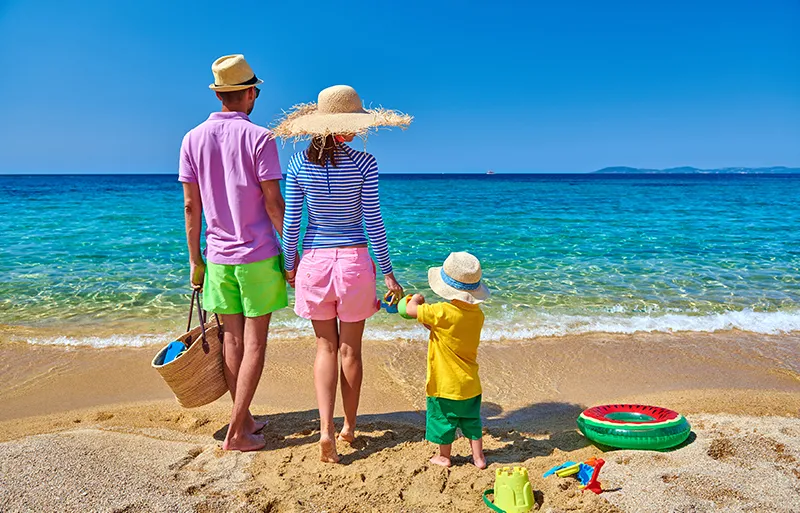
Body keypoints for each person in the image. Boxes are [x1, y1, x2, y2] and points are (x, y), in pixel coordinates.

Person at [272, 85, 412, 463]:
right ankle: (349, 426)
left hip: (315, 263)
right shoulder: (366, 163)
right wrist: (388, 273)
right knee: (351, 348)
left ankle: (325, 430)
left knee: (325, 348)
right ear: (346, 127)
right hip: (354, 263)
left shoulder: (299, 164)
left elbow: (292, 225)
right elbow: (373, 221)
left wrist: (289, 265)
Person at [179, 54, 288, 452]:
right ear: (247, 93)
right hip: (257, 256)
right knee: (255, 344)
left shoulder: (191, 138)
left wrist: (196, 259)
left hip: (218, 257)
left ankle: (242, 417)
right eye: (255, 90)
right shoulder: (260, 138)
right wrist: (291, 254)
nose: (256, 95)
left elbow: (192, 208)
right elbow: (274, 203)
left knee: (232, 342)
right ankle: (237, 432)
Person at [404, 252, 490, 469]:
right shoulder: (478, 316)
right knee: (472, 421)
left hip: (445, 385)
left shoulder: (441, 312)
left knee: (443, 420)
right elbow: (452, 331)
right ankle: (478, 458)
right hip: (470, 383)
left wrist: (415, 299)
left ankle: (444, 457)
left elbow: (410, 310)